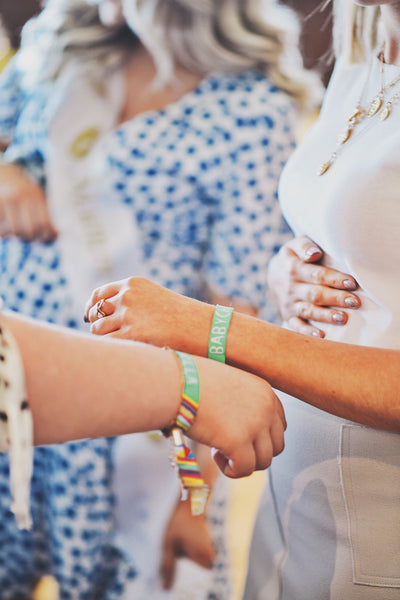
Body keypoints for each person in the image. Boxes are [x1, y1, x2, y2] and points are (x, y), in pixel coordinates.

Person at [85, 1, 400, 598]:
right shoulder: (365, 43)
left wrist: (212, 328)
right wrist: (287, 272)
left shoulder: (246, 105)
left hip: (381, 528)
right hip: (297, 500)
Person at [0, 0, 312, 596]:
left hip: (142, 419)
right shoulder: (56, 50)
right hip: (24, 374)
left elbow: (236, 315)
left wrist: (194, 499)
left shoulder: (251, 110)